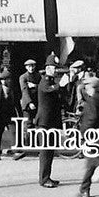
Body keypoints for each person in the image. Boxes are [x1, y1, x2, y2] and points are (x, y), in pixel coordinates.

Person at [35, 59, 63, 188]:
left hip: (50, 121)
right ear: (47, 68)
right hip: (45, 122)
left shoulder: (51, 81)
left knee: (50, 151)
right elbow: (48, 90)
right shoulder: (45, 81)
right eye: (52, 67)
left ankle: (47, 176)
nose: (55, 70)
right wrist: (60, 85)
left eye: (56, 68)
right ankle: (44, 179)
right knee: (45, 151)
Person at [0, 69, 19, 160]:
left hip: (10, 114)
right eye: (2, 79)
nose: (3, 81)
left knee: (14, 132)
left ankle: (16, 152)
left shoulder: (13, 89)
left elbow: (17, 104)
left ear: (9, 80)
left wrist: (20, 115)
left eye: (6, 79)